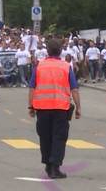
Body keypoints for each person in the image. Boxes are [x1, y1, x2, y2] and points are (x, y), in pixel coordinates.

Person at [28, 38, 81, 179]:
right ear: (61, 51)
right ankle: (55, 167)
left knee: (45, 137)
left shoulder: (39, 66)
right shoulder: (65, 67)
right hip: (60, 108)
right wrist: (78, 107)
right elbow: (74, 89)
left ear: (47, 51)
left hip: (42, 107)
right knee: (59, 137)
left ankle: (47, 164)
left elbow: (32, 87)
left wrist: (31, 106)